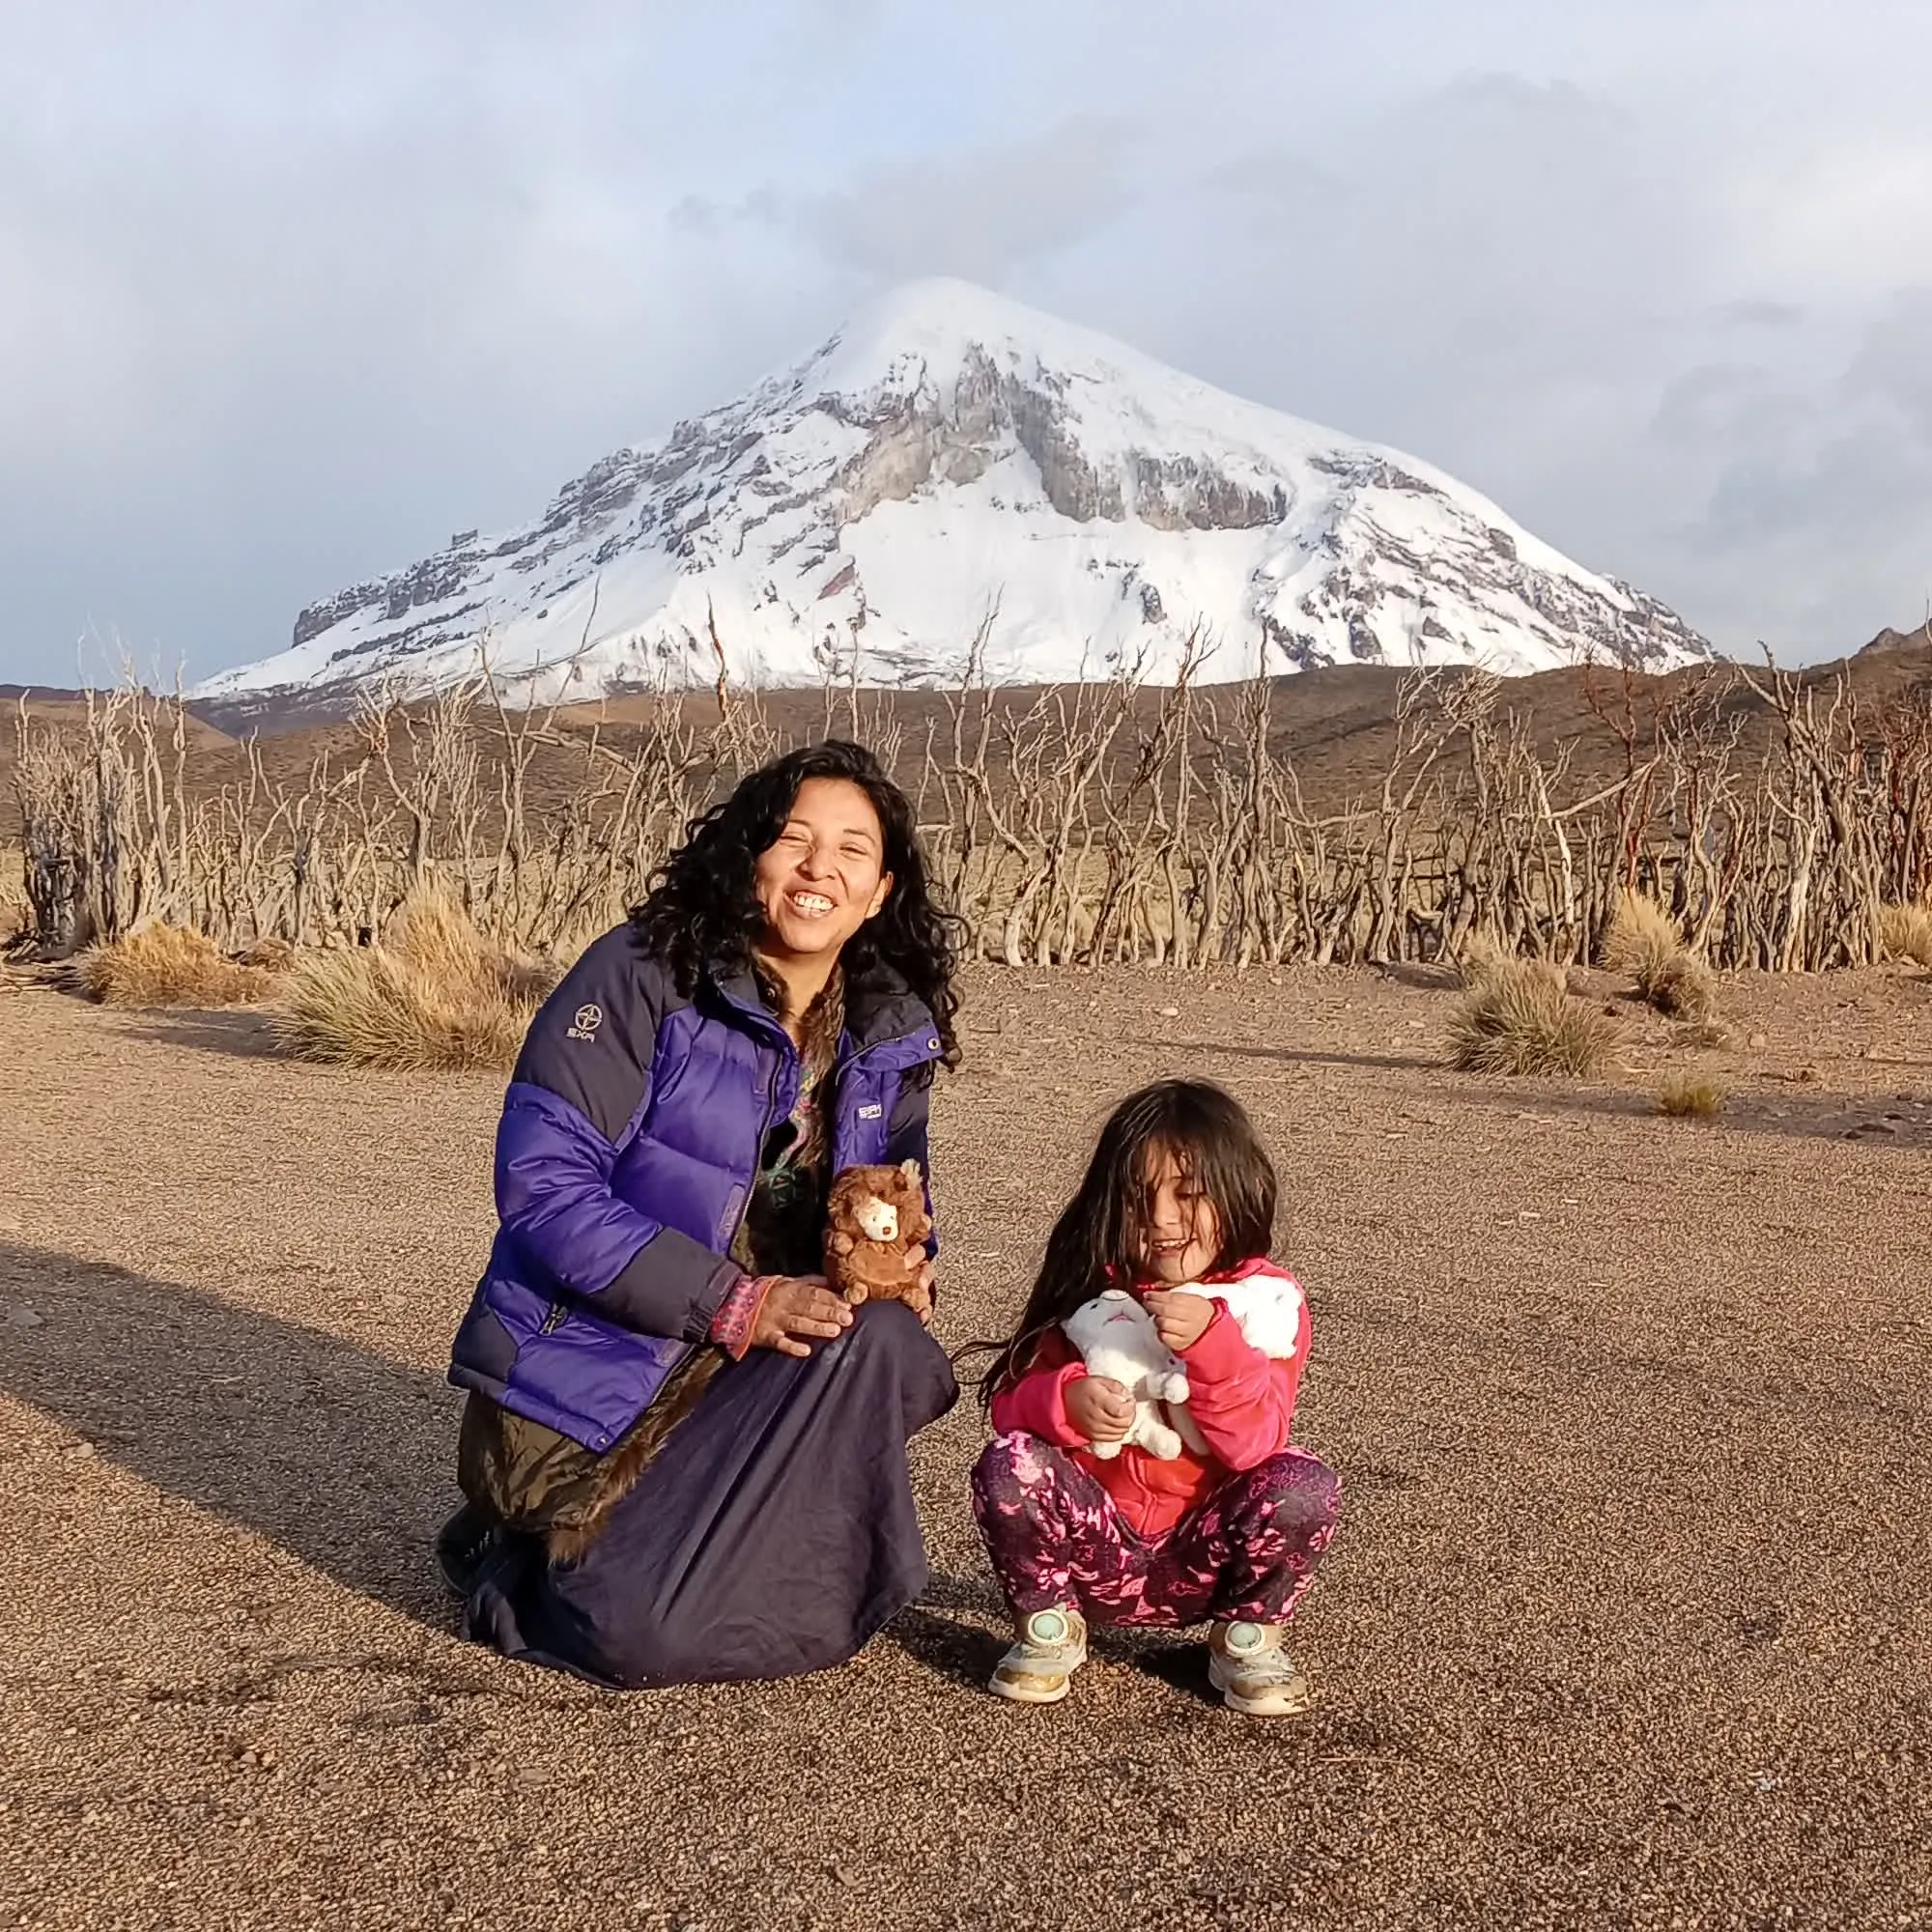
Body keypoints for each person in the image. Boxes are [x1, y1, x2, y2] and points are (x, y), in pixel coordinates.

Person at [437, 739, 962, 1689]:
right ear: (747, 855)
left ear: (881, 890)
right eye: (793, 838)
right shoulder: (643, 974)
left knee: (891, 1349)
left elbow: (888, 1207)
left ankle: (722, 1560)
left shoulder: (884, 1032)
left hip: (740, 1376)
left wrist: (901, 1263)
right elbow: (544, 1187)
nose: (818, 868)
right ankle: (512, 1568)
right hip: (599, 1386)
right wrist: (732, 1299)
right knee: (642, 1641)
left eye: (851, 850)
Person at [965, 1079, 1340, 1716]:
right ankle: (1050, 1624)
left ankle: (1245, 1634)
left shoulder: (1266, 1308)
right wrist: (1064, 1402)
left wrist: (1215, 1346)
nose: (1162, 1219)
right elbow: (1007, 1410)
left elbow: (1255, 1443)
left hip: (1205, 1556)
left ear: (1237, 1192)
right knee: (1009, 1464)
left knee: (1303, 1484)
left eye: (1188, 1196)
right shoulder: (1090, 1296)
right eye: (1139, 1199)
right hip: (1098, 1554)